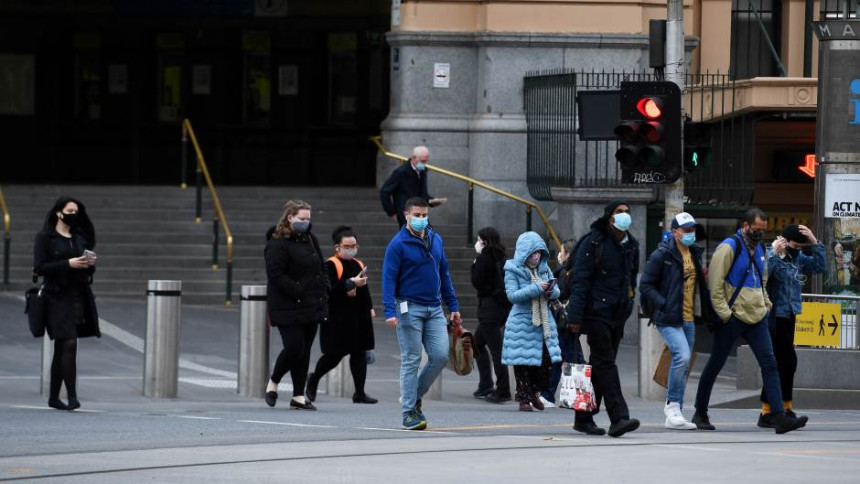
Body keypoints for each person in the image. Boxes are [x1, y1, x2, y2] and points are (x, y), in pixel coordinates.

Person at [693, 207, 808, 434]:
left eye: (763, 230)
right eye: (756, 229)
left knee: (770, 364)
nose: (760, 233)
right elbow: (714, 286)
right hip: (733, 316)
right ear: (745, 226)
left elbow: (761, 280)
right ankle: (700, 412)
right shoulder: (729, 247)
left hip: (756, 316)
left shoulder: (758, 250)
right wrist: (725, 314)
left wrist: (765, 303)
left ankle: (778, 416)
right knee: (716, 364)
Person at [383, 197, 460, 430]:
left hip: (434, 307)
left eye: (424, 215)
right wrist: (389, 310)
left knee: (440, 356)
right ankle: (409, 412)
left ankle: (413, 396)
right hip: (408, 307)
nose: (420, 219)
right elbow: (388, 278)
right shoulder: (398, 244)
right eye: (416, 215)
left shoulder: (435, 239)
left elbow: (444, 273)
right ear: (406, 214)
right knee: (411, 359)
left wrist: (453, 305)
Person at [566, 200, 640, 437]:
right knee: (606, 363)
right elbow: (580, 281)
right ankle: (619, 417)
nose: (625, 215)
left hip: (616, 315)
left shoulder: (632, 245)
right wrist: (575, 317)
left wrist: (628, 305)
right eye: (620, 212)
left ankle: (583, 417)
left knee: (599, 367)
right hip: (594, 312)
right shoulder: (594, 242)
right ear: (610, 217)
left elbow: (631, 281)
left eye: (627, 212)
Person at [640, 212, 715, 430]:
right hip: (668, 317)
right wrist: (663, 303)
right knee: (681, 357)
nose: (691, 233)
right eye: (686, 230)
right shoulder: (662, 254)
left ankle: (676, 411)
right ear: (675, 232)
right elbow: (645, 285)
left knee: (683, 364)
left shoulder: (694, 253)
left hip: (689, 317)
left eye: (693, 229)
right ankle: (672, 405)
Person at [33, 196, 100, 411]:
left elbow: (88, 271)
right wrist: (68, 264)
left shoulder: (79, 238)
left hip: (77, 295)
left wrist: (89, 263)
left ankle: (54, 397)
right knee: (69, 342)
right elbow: (40, 268)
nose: (74, 215)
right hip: (55, 296)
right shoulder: (45, 237)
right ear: (58, 213)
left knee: (63, 347)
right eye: (70, 211)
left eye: (76, 211)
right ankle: (72, 396)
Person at [264, 200, 330, 411]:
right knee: (294, 348)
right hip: (287, 304)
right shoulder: (277, 243)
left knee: (305, 351)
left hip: (312, 303)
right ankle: (273, 382)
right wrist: (298, 289)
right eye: (302, 219)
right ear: (290, 218)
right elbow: (275, 275)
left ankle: (298, 396)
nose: (306, 222)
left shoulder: (311, 239)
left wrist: (325, 286)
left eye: (308, 219)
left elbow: (321, 266)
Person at [758, 224, 825, 427]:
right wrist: (774, 254)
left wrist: (815, 242)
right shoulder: (774, 256)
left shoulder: (799, 259)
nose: (797, 249)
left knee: (782, 363)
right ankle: (777, 409)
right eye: (794, 245)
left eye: (800, 246)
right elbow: (762, 274)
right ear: (785, 242)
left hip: (790, 315)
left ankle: (774, 410)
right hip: (775, 317)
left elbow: (820, 267)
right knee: (786, 361)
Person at [306, 226, 378, 405]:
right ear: (337, 247)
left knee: (359, 352)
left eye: (354, 245)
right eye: (347, 246)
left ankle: (359, 393)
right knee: (334, 354)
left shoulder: (358, 264)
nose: (351, 249)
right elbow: (328, 289)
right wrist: (349, 283)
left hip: (358, 315)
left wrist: (369, 308)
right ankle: (314, 378)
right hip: (337, 316)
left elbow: (365, 290)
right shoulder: (330, 264)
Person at [501, 232, 563, 412]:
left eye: (539, 252)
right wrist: (537, 288)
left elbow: (557, 291)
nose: (536, 256)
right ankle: (524, 398)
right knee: (523, 363)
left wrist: (551, 291)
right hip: (522, 322)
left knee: (545, 362)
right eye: (532, 252)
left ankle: (535, 393)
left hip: (543, 322)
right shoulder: (512, 269)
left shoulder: (544, 269)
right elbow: (513, 296)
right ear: (524, 253)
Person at [539, 238, 586, 408]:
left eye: (562, 251)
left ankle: (549, 394)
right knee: (573, 356)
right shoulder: (570, 271)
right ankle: (580, 393)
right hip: (568, 320)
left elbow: (563, 295)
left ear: (568, 255)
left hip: (565, 320)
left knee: (559, 356)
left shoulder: (568, 273)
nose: (559, 255)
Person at [470, 227, 512, 404]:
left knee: (496, 351)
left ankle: (503, 390)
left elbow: (478, 282)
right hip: (501, 308)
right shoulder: (502, 257)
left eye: (479, 240)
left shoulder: (483, 259)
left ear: (485, 241)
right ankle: (485, 384)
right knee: (476, 344)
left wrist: (474, 265)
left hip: (489, 310)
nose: (477, 243)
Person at [379, 146, 445, 227]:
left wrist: (432, 201)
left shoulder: (422, 171)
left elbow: (422, 194)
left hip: (420, 211)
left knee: (427, 235)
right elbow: (384, 191)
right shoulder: (401, 172)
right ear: (414, 158)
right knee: (411, 236)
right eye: (422, 161)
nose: (424, 164)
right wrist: (392, 212)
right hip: (406, 213)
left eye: (426, 161)